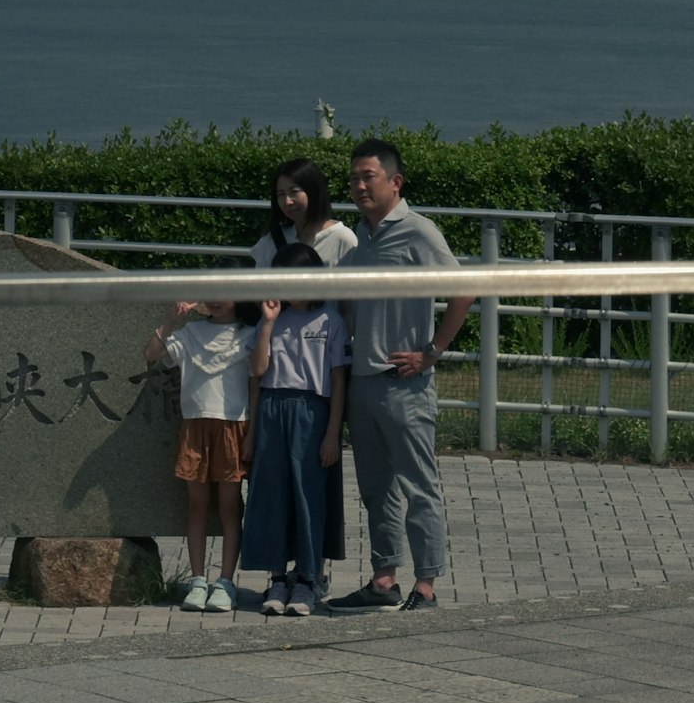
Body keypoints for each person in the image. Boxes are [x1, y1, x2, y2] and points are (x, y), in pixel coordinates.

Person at [330, 140, 469, 613]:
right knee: (375, 490)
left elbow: (464, 291)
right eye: (353, 178)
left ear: (395, 182)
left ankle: (427, 585)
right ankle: (384, 579)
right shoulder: (360, 239)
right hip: (363, 383)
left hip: (403, 385)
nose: (359, 185)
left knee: (418, 486)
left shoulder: (417, 232)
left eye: (368, 176)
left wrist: (432, 353)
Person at [240, 161, 351, 615]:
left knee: (310, 493)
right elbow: (257, 371)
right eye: (281, 193)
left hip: (312, 411)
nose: (288, 201)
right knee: (271, 493)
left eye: (296, 192)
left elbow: (337, 378)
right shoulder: (272, 246)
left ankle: (310, 575)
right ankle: (278, 575)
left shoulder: (341, 244)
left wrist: (333, 432)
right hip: (271, 409)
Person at [157, 291, 255, 611]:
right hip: (195, 425)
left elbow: (258, 381)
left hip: (232, 425)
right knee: (197, 506)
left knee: (229, 507)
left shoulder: (248, 334)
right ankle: (198, 581)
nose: (215, 299)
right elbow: (151, 354)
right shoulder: (191, 332)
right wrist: (173, 320)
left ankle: (225, 582)